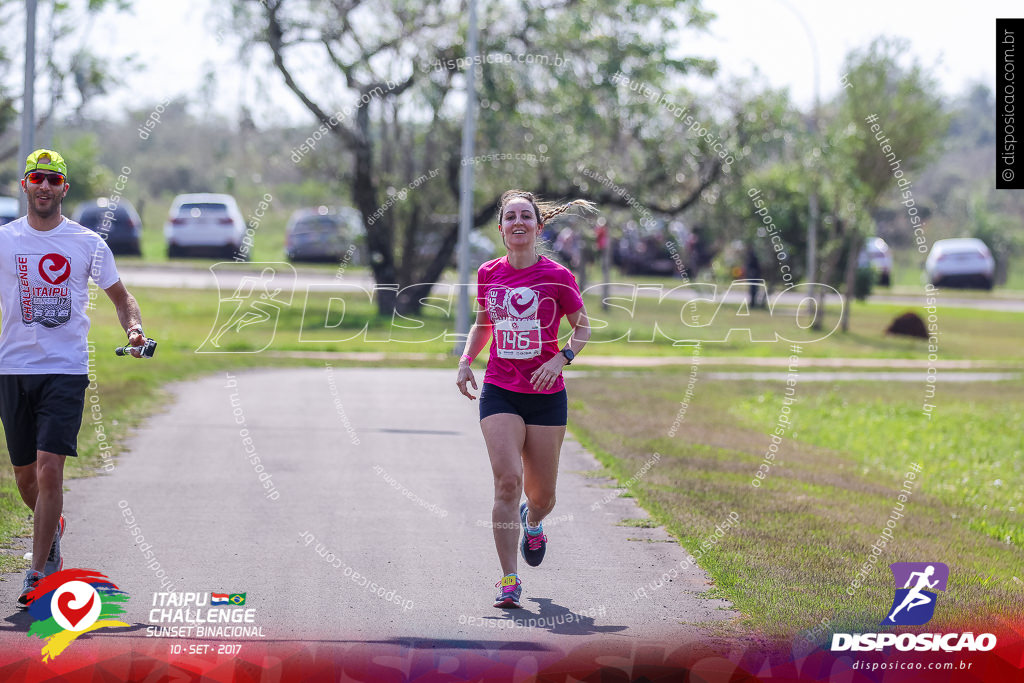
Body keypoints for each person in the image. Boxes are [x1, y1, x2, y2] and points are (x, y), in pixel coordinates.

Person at [0, 149, 150, 607]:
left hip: (65, 370)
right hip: (12, 368)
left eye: (53, 179)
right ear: (24, 185)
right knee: (26, 478)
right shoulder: (4, 241)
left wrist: (135, 329)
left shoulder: (87, 243)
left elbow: (121, 297)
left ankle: (38, 571)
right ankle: (54, 526)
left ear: (64, 188)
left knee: (49, 471)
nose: (44, 185)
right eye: (36, 177)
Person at [456, 190, 592, 608]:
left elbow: (582, 328)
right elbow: (483, 325)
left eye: (525, 216)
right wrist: (466, 360)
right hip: (500, 388)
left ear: (538, 226)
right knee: (508, 481)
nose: (518, 223)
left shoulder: (557, 276)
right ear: (501, 229)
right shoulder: (488, 273)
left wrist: (561, 357)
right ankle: (509, 579)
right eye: (510, 217)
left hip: (546, 395)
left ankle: (533, 524)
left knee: (542, 496)